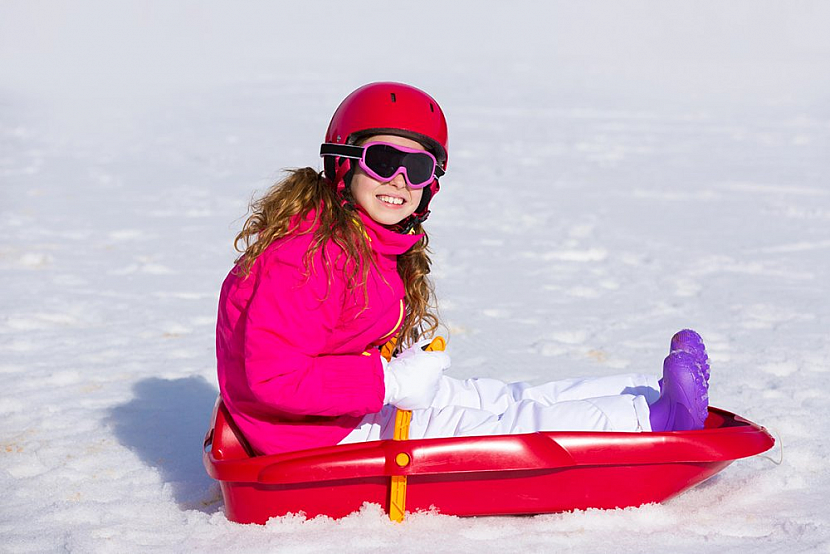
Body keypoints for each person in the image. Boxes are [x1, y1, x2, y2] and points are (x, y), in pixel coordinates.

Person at [215, 82, 710, 456]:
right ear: (343, 163)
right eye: (383, 159)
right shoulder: (304, 259)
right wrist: (388, 383)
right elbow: (274, 377)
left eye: (420, 168)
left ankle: (646, 392)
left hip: (335, 411)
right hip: (310, 437)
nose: (400, 180)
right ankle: (652, 420)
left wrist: (390, 367)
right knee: (502, 426)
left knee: (494, 397)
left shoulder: (355, 238)